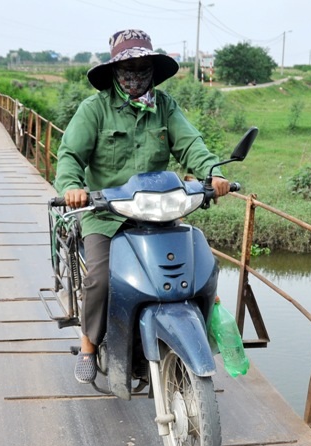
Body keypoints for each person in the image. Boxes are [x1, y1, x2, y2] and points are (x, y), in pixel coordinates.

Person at [54, 28, 231, 384]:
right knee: (100, 279)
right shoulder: (95, 109)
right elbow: (70, 155)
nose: (134, 76)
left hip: (159, 213)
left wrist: (213, 173)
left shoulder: (165, 107)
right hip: (106, 214)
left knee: (197, 269)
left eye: (142, 68)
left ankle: (190, 334)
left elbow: (191, 144)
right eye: (127, 69)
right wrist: (73, 186)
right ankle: (89, 345)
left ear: (153, 69)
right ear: (115, 72)